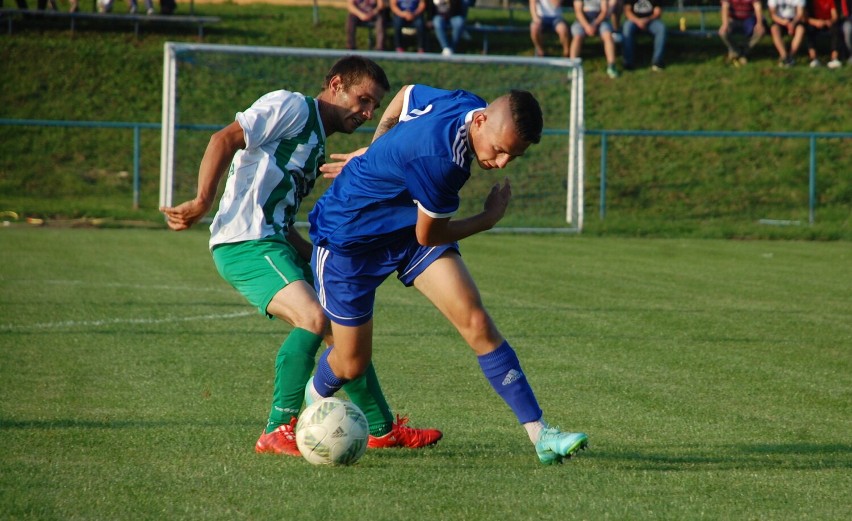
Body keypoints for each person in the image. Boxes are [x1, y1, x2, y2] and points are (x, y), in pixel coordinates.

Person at [159, 56, 443, 457]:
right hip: (245, 243)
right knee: (315, 318)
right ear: (336, 83)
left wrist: (317, 258)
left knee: (343, 337)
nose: (367, 113)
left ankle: (382, 429)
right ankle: (277, 428)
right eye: (363, 100)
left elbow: (281, 213)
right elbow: (225, 138)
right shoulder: (291, 106)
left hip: (275, 242)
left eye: (375, 107)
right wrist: (203, 200)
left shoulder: (316, 143)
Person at [305, 85, 589, 465]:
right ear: (483, 120)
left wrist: (376, 150)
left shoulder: (467, 104)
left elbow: (408, 95)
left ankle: (541, 434)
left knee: (475, 320)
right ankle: (312, 404)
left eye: (513, 156)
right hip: (349, 238)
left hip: (406, 230)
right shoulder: (444, 160)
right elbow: (431, 234)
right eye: (500, 149)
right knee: (351, 362)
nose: (502, 162)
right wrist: (487, 219)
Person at [570, 0, 620, 78]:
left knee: (608, 36)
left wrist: (595, 24)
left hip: (599, 19)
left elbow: (604, 11)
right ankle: (573, 66)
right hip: (583, 20)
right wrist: (587, 26)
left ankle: (611, 65)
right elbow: (578, 12)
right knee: (577, 36)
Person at [621, 0, 667, 71]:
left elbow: (657, 12)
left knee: (661, 28)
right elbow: (627, 11)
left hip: (651, 21)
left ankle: (657, 61)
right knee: (627, 28)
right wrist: (638, 21)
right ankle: (628, 62)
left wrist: (647, 19)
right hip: (633, 21)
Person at [718, 0, 766, 66]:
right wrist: (725, 24)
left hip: (748, 19)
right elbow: (725, 7)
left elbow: (758, 7)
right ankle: (736, 51)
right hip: (733, 19)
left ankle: (743, 51)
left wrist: (759, 23)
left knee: (760, 32)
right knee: (723, 32)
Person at [767, 0, 806, 67]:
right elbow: (772, 14)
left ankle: (791, 56)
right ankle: (784, 56)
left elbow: (800, 14)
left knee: (801, 29)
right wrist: (784, 22)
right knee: (774, 29)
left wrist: (792, 23)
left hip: (794, 20)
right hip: (779, 20)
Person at [804, 0, 842, 67]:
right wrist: (815, 22)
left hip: (827, 23)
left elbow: (835, 16)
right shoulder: (810, 2)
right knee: (809, 29)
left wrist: (829, 21)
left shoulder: (831, 1)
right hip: (814, 23)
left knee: (836, 29)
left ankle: (834, 58)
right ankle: (814, 59)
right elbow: (805, 18)